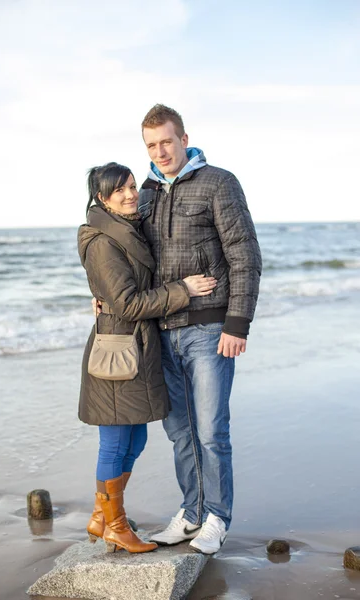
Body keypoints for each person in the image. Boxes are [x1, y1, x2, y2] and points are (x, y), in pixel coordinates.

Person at [138, 105, 262, 554]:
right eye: (151, 145)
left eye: (166, 141)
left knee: (211, 430)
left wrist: (237, 323)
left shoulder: (219, 182)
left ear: (184, 138)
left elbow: (244, 255)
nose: (160, 151)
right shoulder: (146, 192)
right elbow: (134, 256)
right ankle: (191, 513)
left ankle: (216, 519)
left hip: (210, 329)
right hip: (162, 330)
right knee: (179, 432)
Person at [77, 162, 217, 554]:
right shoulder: (103, 240)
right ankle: (116, 524)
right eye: (118, 190)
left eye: (132, 186)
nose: (129, 194)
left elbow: (121, 291)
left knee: (134, 437)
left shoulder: (127, 228)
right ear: (102, 198)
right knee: (116, 439)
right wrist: (183, 289)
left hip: (135, 345)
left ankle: (102, 514)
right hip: (118, 350)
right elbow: (127, 301)